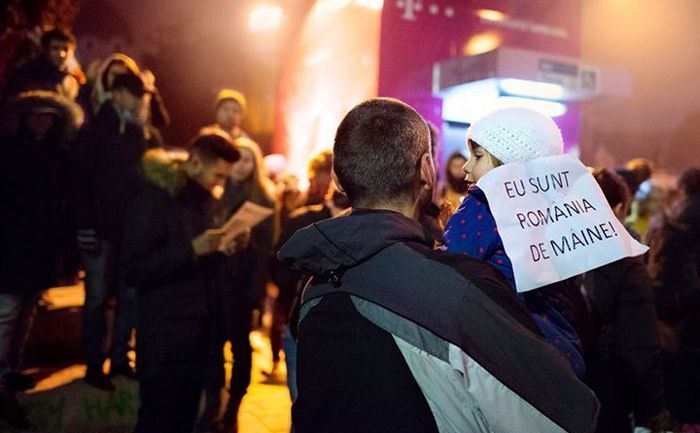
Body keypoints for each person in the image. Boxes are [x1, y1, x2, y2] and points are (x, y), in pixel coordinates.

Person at [278, 97, 599, 433]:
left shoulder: (315, 286)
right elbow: (564, 414)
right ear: (427, 169)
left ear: (337, 180)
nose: (466, 169)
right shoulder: (455, 287)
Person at [442, 106, 587, 377]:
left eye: (478, 156)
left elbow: (449, 275)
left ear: (506, 163)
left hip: (508, 359)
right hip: (560, 352)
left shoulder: (483, 205)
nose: (466, 166)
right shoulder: (554, 209)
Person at [121, 133, 241, 433]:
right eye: (217, 176)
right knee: (157, 420)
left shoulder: (202, 202)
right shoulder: (155, 198)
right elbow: (133, 270)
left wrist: (227, 246)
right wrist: (192, 250)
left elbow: (202, 262)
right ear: (196, 161)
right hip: (164, 337)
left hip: (198, 335)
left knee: (185, 420)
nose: (218, 185)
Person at [0, 90, 83, 430]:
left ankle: (11, 372)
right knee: (5, 315)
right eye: (35, 115)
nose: (41, 122)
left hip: (40, 249)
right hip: (8, 247)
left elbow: (64, 207)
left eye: (48, 116)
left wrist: (64, 253)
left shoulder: (60, 156)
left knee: (26, 315)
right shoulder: (7, 152)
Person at [73, 72, 161, 391]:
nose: (143, 101)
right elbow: (80, 182)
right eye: (137, 95)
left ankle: (122, 360)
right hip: (100, 231)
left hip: (132, 233)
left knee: (130, 297)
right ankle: (94, 364)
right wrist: (85, 227)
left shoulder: (140, 132)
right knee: (97, 298)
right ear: (119, 93)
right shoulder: (94, 130)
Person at [199, 136, 278, 433]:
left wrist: (254, 289)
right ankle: (213, 404)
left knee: (240, 347)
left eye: (248, 159)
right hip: (214, 280)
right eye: (238, 159)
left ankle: (233, 407)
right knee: (212, 344)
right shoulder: (214, 193)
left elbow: (267, 249)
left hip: (242, 284)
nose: (241, 165)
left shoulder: (264, 197)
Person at [583, 168, 665, 433]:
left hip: (555, 384)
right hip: (608, 390)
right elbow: (639, 341)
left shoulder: (550, 251)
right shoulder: (626, 258)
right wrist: (651, 408)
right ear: (618, 208)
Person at [647, 167, 700, 323]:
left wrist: (664, 225)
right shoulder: (692, 206)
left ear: (684, 186)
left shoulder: (692, 210)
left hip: (685, 276)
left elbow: (679, 240)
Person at [3, 28, 80, 100]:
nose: (61, 54)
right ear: (45, 50)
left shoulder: (71, 78)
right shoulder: (27, 74)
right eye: (55, 48)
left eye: (65, 49)